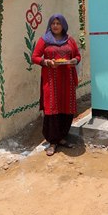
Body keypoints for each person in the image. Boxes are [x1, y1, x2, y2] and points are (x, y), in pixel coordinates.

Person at [32, 14, 81, 156]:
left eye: (58, 23)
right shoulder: (44, 40)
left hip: (67, 79)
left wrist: (74, 61)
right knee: (52, 108)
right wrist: (46, 62)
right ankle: (52, 141)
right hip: (51, 80)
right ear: (50, 25)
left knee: (66, 107)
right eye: (53, 23)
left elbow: (77, 56)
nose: (55, 26)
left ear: (63, 25)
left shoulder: (70, 40)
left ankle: (62, 137)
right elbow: (34, 57)